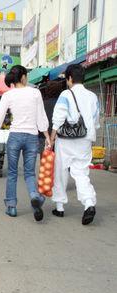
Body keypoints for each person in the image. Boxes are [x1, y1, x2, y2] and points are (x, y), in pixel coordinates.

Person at [0, 65, 52, 220]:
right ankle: (35, 195)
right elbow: (41, 117)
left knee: (12, 173)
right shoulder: (35, 93)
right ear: (23, 77)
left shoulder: (9, 95)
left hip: (15, 137)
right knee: (29, 173)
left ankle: (12, 207)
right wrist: (47, 137)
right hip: (32, 137)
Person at [50, 64, 99, 225]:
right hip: (85, 139)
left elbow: (58, 117)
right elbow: (95, 120)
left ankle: (60, 207)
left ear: (70, 78)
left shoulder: (66, 94)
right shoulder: (93, 97)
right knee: (81, 173)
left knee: (61, 171)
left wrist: (51, 138)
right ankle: (89, 203)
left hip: (66, 140)